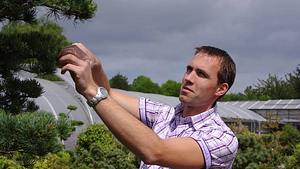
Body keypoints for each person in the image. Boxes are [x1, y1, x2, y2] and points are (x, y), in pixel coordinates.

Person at [57, 43, 238, 169]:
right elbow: (109, 94)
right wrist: (96, 67)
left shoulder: (221, 138)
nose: (188, 78)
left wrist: (91, 90)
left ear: (220, 89)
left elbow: (156, 152)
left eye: (201, 74)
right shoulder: (164, 114)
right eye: (189, 69)